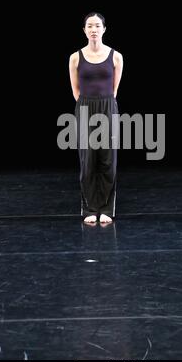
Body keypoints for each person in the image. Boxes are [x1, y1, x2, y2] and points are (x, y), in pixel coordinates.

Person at [69, 12, 123, 225]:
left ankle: (107, 208)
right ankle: (90, 208)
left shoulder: (116, 56)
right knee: (88, 161)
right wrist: (86, 106)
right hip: (84, 107)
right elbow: (75, 89)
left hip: (108, 106)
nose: (93, 29)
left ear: (103, 29)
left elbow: (115, 88)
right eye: (89, 26)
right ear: (84, 30)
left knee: (108, 160)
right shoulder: (75, 57)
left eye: (97, 25)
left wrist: (105, 105)